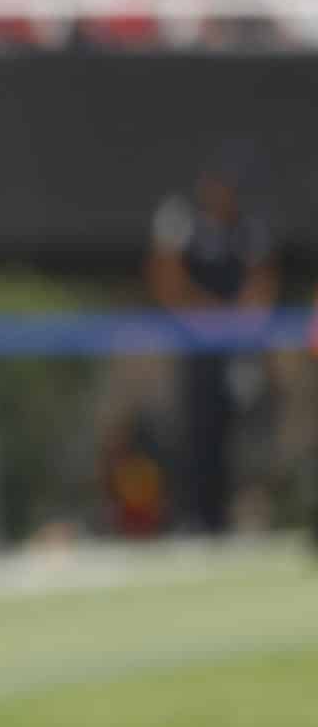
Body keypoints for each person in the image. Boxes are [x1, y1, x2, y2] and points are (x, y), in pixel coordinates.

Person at [146, 166, 277, 534]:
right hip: (194, 347)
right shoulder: (181, 223)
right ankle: (193, 518)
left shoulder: (249, 230)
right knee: (193, 430)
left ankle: (243, 514)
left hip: (238, 347)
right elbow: (166, 281)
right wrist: (206, 317)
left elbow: (261, 288)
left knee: (244, 430)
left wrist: (236, 323)